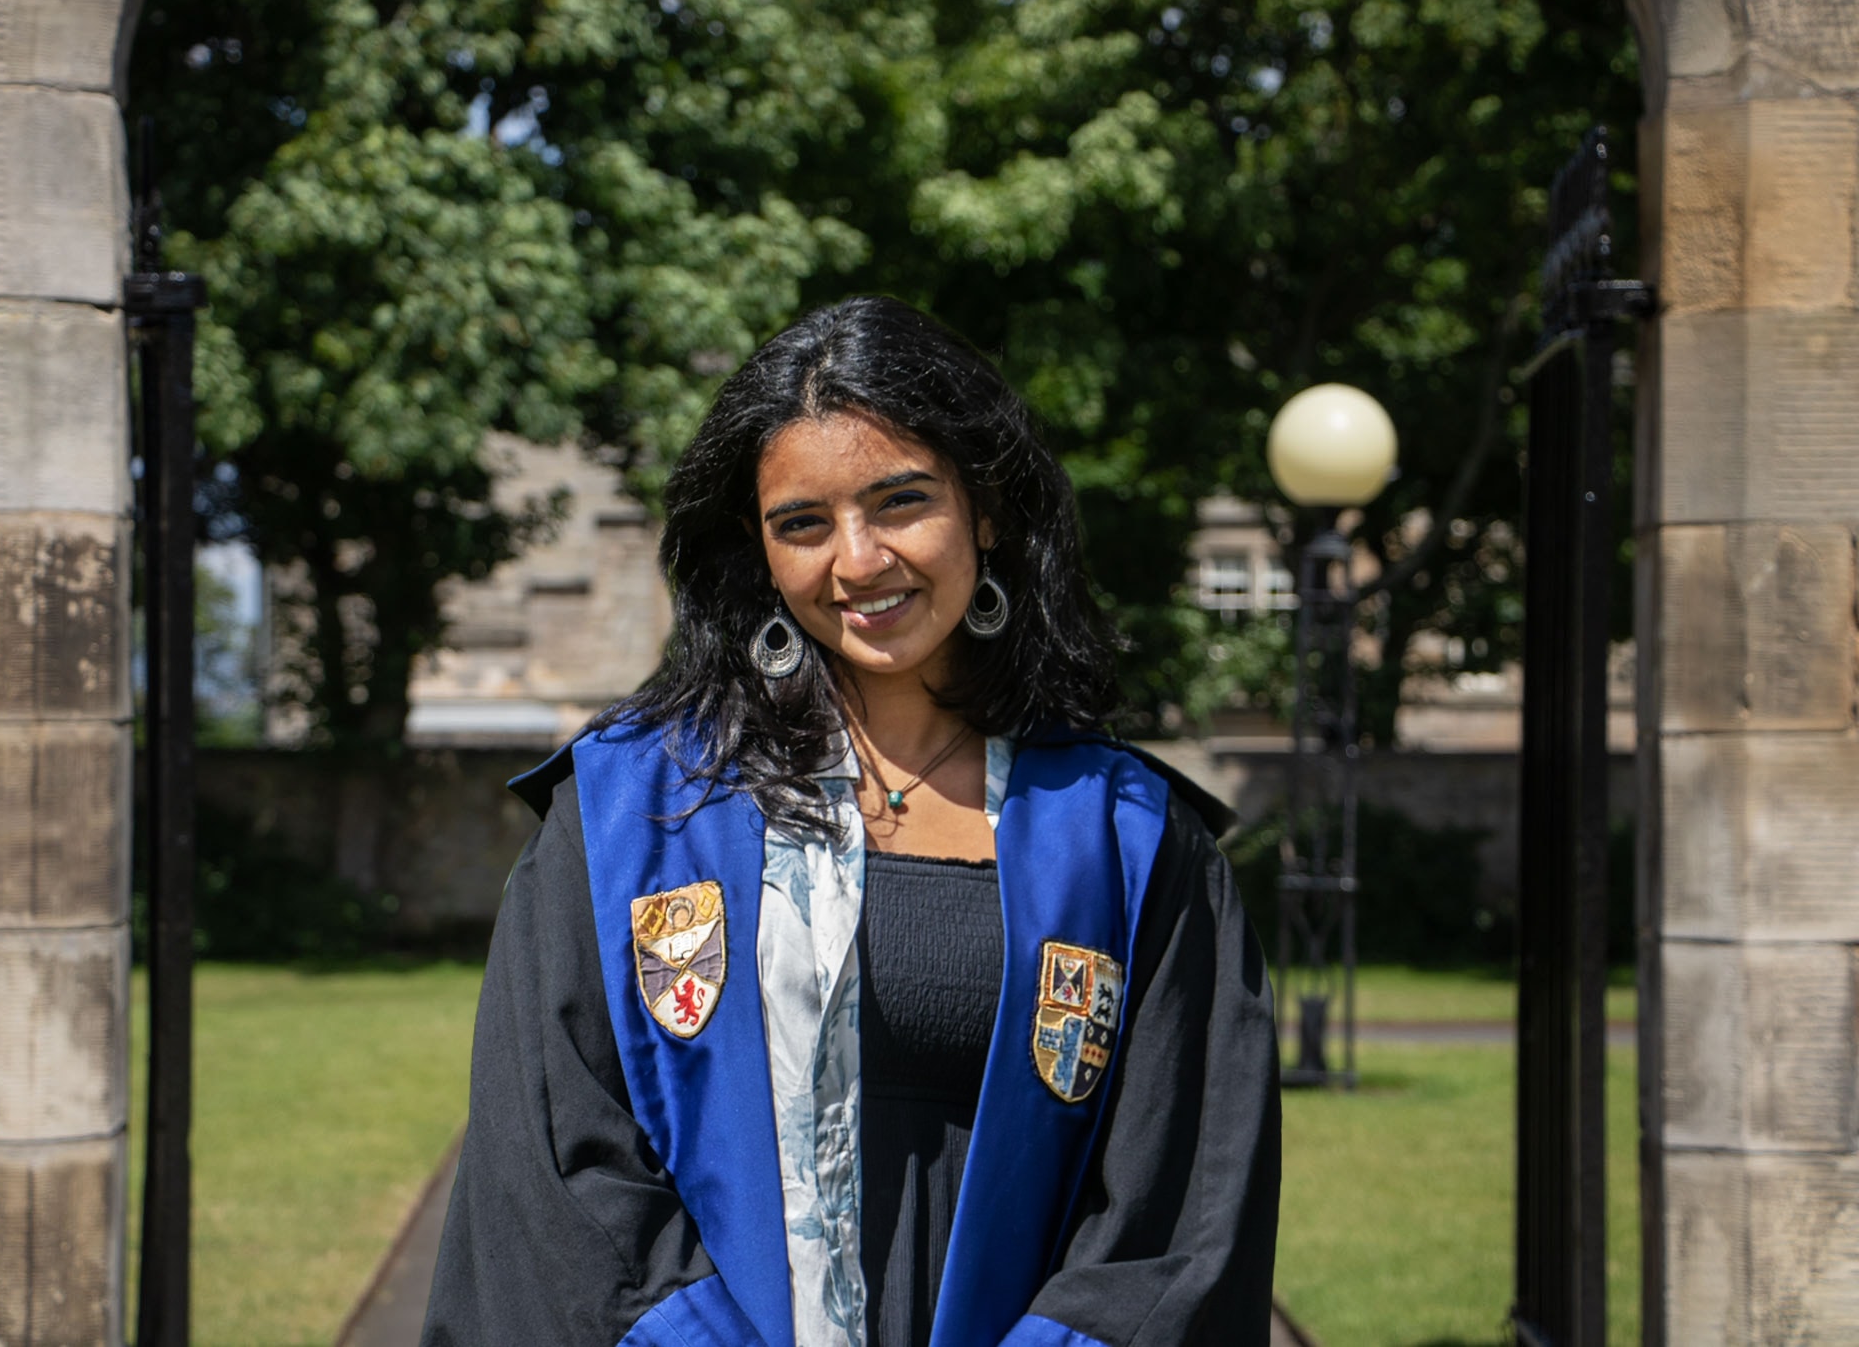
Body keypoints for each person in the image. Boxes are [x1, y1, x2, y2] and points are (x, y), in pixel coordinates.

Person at [420, 296, 1280, 1347]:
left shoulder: (1125, 841)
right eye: (803, 524)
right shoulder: (631, 818)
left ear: (989, 509)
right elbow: (556, 1156)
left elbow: (1178, 1199)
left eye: (901, 501)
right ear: (757, 547)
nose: (858, 561)